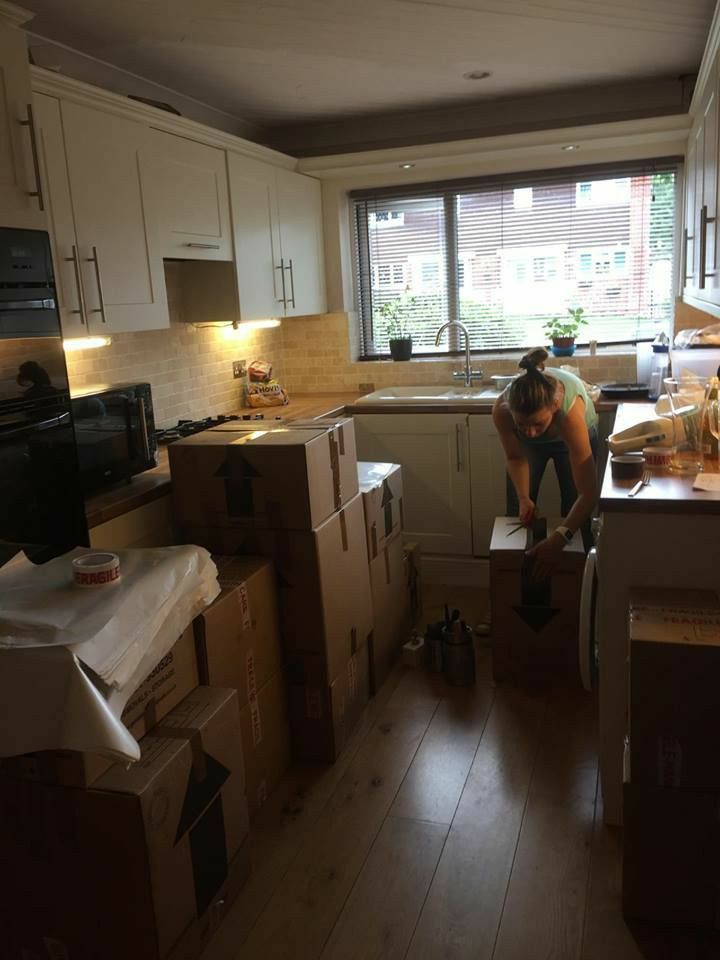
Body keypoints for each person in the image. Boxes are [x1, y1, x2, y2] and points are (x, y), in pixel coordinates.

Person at [492, 347, 598, 578]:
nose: (530, 433)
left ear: (554, 408)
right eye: (522, 425)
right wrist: (523, 498)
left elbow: (588, 493)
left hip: (573, 433)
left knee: (574, 510)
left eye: (538, 425)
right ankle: (518, 582)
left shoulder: (569, 415)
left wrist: (559, 538)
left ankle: (580, 584)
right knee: (518, 512)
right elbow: (515, 457)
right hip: (534, 444)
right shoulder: (502, 411)